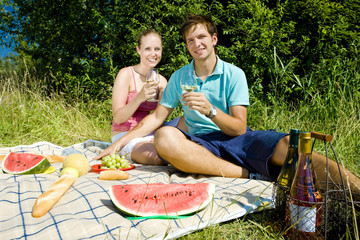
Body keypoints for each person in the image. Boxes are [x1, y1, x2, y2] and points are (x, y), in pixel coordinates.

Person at [96, 15, 360, 194]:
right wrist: (116, 145)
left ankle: (355, 192)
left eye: (201, 37)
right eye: (190, 40)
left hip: (236, 140)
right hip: (199, 143)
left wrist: (210, 109)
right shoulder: (179, 77)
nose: (196, 44)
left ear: (214, 39)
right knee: (164, 136)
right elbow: (155, 120)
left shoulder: (234, 74)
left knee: (287, 147)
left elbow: (238, 128)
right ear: (187, 46)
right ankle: (249, 174)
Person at [110, 28, 186, 165]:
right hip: (125, 135)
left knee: (189, 121)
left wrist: (157, 136)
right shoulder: (126, 74)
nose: (153, 54)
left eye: (157, 49)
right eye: (147, 49)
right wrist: (139, 97)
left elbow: (159, 118)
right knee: (159, 157)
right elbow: (118, 118)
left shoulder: (161, 81)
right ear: (138, 50)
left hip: (150, 134)